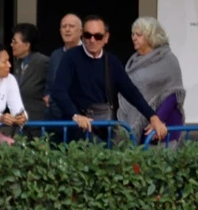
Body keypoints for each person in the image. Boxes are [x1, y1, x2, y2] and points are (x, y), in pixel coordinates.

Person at [50, 15, 167, 143]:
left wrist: (153, 117)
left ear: (106, 38)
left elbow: (131, 92)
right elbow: (58, 91)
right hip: (78, 130)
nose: (92, 40)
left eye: (98, 36)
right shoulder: (70, 58)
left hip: (105, 128)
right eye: (88, 35)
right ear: (82, 36)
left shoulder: (112, 61)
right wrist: (76, 115)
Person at [118, 16, 185, 145]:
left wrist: (157, 121)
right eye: (133, 34)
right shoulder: (133, 62)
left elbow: (173, 94)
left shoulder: (168, 59)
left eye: (139, 35)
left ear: (151, 37)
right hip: (140, 125)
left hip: (162, 127)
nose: (134, 38)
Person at [10, 23, 49, 124]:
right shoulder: (18, 63)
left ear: (27, 45)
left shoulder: (42, 61)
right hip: (21, 120)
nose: (11, 45)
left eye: (15, 42)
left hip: (37, 120)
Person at [45, 13, 82, 123]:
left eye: (71, 26)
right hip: (56, 118)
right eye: (64, 26)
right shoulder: (55, 55)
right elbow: (49, 84)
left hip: (81, 118)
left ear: (80, 31)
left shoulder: (87, 53)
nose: (67, 29)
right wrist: (47, 97)